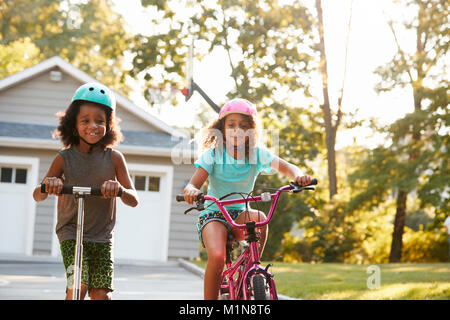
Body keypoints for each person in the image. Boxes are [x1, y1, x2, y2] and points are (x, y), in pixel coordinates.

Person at [183, 98, 311, 300]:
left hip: (240, 214)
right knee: (217, 256)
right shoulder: (214, 155)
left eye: (243, 126)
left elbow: (288, 167)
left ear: (251, 131)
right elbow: (192, 185)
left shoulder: (256, 154)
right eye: (231, 125)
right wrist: (191, 191)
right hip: (214, 214)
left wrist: (298, 175)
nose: (237, 130)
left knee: (259, 217)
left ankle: (249, 267)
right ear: (222, 129)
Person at [33, 82, 139, 300]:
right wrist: (49, 185)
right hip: (71, 232)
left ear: (109, 124)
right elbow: (38, 194)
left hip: (102, 236)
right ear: (73, 124)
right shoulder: (64, 158)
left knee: (101, 295)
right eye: (86, 120)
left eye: (100, 121)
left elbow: (134, 199)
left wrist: (119, 190)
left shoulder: (115, 158)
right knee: (78, 285)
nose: (93, 125)